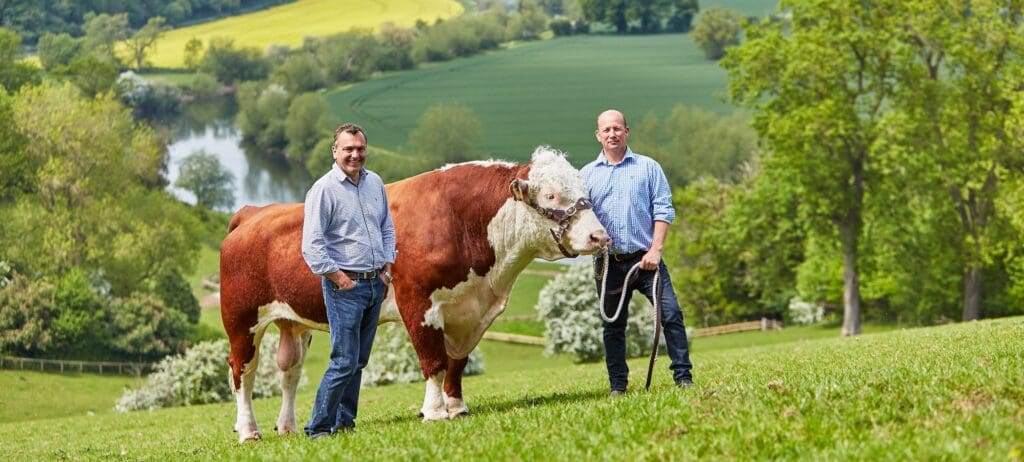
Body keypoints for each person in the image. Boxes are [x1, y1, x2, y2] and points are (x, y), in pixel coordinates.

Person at [580, 109, 694, 397]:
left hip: (647, 259)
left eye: (617, 128)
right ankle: (618, 385)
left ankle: (683, 377)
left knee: (671, 314)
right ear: (598, 135)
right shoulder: (586, 175)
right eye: (606, 130)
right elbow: (581, 219)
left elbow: (664, 209)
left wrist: (656, 250)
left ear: (627, 132)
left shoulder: (648, 167)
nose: (612, 134)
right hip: (609, 264)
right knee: (613, 326)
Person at [301, 123, 396, 439]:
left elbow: (386, 227)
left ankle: (345, 422)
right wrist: (339, 278)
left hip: (374, 284)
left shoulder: (375, 183)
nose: (355, 155)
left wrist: (387, 266)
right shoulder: (324, 190)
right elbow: (311, 245)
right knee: (343, 361)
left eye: (360, 149)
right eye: (348, 149)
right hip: (346, 288)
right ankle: (318, 427)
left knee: (358, 361)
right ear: (335, 151)